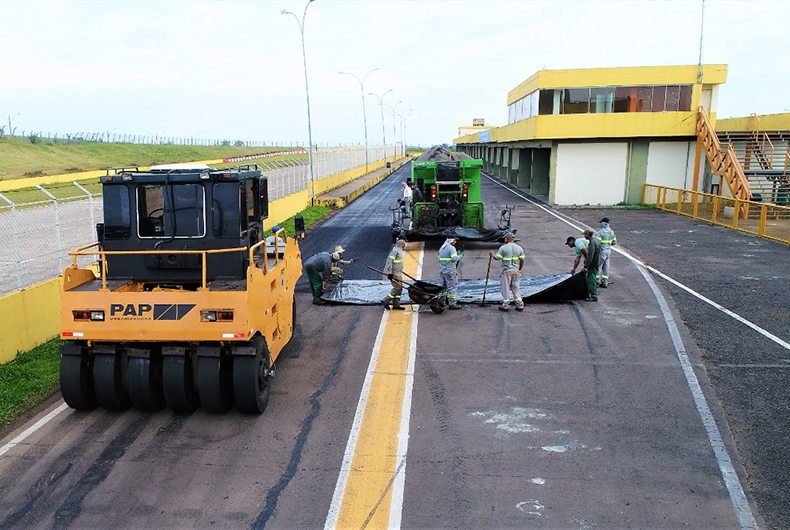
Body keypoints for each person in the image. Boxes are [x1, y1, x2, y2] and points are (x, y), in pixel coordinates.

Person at [489, 232, 525, 311]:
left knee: (505, 288)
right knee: (516, 287)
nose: (504, 240)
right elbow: (522, 260)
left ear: (508, 239)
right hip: (516, 271)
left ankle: (505, 304)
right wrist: (520, 269)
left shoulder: (503, 248)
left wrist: (492, 254)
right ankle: (519, 304)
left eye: (505, 238)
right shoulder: (519, 248)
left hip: (506, 271)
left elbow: (497, 258)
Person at [382, 238, 407, 310]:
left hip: (399, 273)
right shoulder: (395, 250)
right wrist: (390, 273)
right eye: (405, 241)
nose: (405, 243)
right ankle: (385, 300)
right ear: (402, 242)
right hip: (395, 273)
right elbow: (389, 261)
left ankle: (396, 305)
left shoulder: (400, 250)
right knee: (397, 288)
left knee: (400, 289)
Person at [438, 237, 463, 310]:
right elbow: (454, 258)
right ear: (452, 241)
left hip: (443, 271)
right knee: (452, 287)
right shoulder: (451, 248)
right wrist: (461, 256)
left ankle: (442, 301)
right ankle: (452, 303)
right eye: (455, 240)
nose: (455, 242)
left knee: (443, 287)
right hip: (450, 271)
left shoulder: (442, 248)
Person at [596, 217, 617, 288]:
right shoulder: (611, 232)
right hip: (608, 251)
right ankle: (605, 281)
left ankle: (596, 281)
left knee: (598, 266)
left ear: (603, 223)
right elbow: (614, 242)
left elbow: (596, 243)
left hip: (602, 251)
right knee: (606, 267)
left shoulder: (600, 232)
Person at [582, 229, 602, 302]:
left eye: (585, 234)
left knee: (591, 279)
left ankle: (593, 296)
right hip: (597, 262)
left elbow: (590, 256)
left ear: (588, 234)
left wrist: (586, 266)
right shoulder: (596, 240)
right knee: (592, 278)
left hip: (593, 264)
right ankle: (592, 294)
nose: (584, 236)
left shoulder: (592, 243)